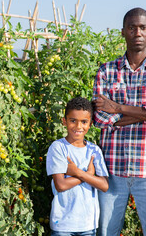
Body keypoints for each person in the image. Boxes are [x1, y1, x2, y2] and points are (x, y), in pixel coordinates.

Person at [92, 8, 146, 236]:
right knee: (105, 233)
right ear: (123, 32)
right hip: (112, 171)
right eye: (132, 27)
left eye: (143, 27)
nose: (137, 32)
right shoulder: (106, 71)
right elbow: (101, 119)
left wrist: (119, 109)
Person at [46, 97, 109, 236]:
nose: (78, 126)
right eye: (73, 120)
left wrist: (77, 172)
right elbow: (61, 185)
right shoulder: (58, 148)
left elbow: (104, 185)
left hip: (88, 224)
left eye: (84, 122)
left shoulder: (94, 150)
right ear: (64, 121)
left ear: (90, 124)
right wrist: (88, 174)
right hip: (62, 224)